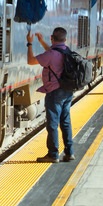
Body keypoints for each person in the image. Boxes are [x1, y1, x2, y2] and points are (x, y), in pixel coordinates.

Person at [26, 27, 75, 163]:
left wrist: (30, 43)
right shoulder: (67, 51)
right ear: (65, 40)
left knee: (52, 123)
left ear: (52, 38)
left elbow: (31, 60)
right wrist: (41, 41)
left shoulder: (51, 55)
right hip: (68, 91)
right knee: (65, 121)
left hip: (54, 92)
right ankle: (69, 153)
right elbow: (53, 51)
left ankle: (53, 154)